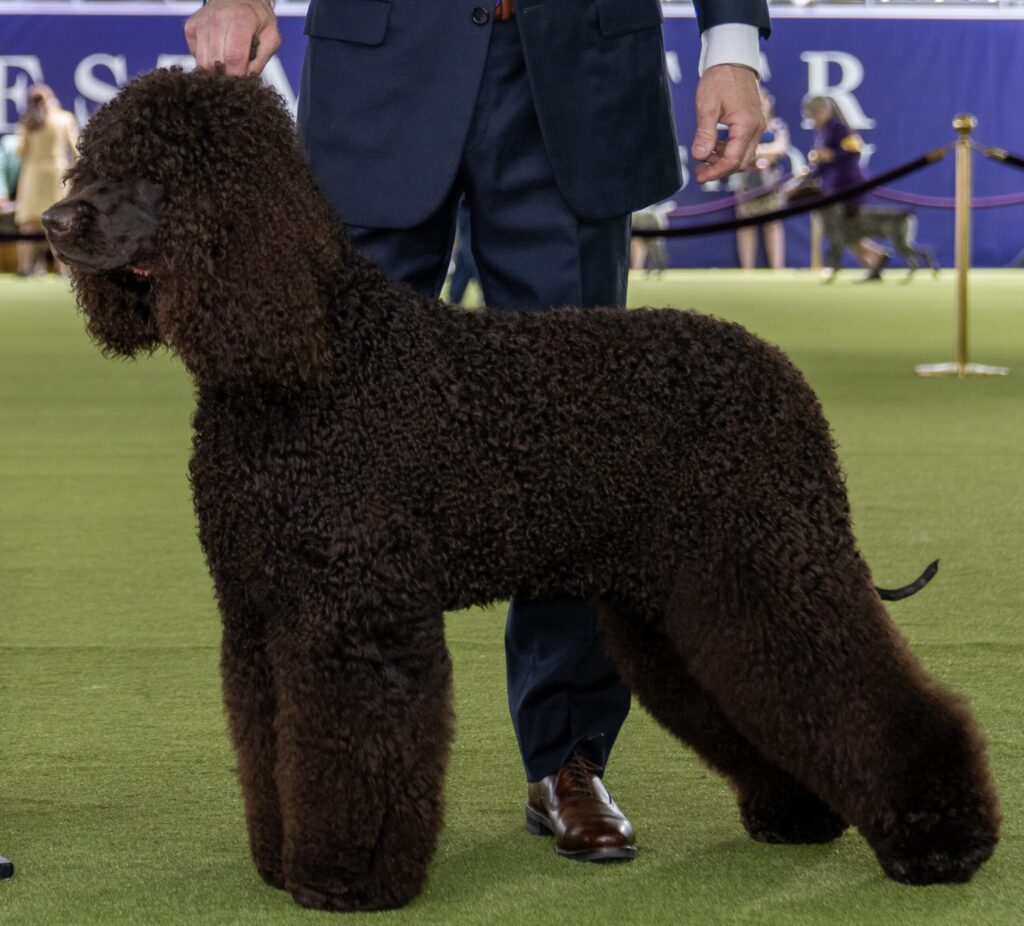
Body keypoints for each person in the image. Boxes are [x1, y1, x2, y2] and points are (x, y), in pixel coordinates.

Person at [186, 0, 770, 864]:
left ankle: (567, 763)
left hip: (578, 69)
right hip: (382, 62)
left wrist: (732, 42)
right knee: (323, 459)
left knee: (577, 459)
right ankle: (332, 781)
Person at [804, 95, 889, 281]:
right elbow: (822, 164)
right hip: (834, 188)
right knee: (844, 231)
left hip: (851, 185)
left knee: (845, 230)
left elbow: (855, 152)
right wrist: (811, 175)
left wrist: (831, 155)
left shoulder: (841, 128)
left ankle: (875, 258)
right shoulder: (821, 131)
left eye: (813, 115)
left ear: (824, 111)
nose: (812, 119)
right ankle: (875, 259)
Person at [14, 85, 78, 277]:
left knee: (28, 224)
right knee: (59, 223)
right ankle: (63, 269)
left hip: (33, 175)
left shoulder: (27, 122)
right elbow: (75, 148)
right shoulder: (64, 118)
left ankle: (24, 267)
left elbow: (20, 152)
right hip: (56, 174)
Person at [732, 87, 789, 270]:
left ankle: (776, 268)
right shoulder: (741, 125)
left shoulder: (777, 125)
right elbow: (739, 150)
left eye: (763, 101)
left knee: (773, 223)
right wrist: (762, 152)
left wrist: (757, 152)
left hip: (770, 180)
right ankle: (747, 268)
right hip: (746, 180)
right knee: (746, 224)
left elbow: (780, 147)